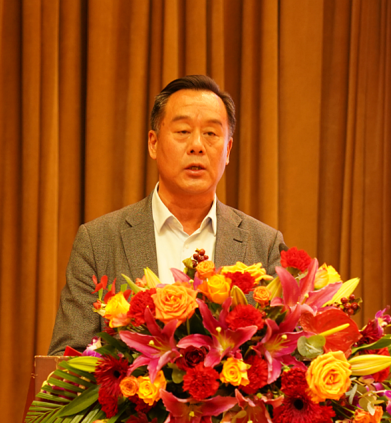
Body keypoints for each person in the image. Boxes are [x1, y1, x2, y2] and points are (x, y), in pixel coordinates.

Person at [48, 75, 287, 355]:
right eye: (183, 131)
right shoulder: (98, 242)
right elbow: (66, 360)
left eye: (211, 133)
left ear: (228, 150)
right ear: (153, 143)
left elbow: (283, 355)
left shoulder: (264, 245)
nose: (197, 145)